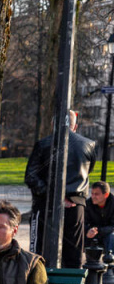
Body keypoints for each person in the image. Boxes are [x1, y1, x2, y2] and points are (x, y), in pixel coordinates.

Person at [26, 110, 99, 269]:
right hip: (75, 205)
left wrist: (54, 196)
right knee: (73, 253)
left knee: (38, 250)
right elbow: (88, 170)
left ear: (53, 125)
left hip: (46, 205)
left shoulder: (44, 144)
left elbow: (31, 177)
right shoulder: (88, 145)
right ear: (75, 126)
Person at [86, 180, 114, 260]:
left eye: (97, 194)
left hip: (107, 234)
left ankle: (109, 260)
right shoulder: (88, 204)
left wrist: (98, 230)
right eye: (92, 193)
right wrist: (88, 230)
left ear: (106, 195)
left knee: (111, 237)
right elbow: (83, 222)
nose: (93, 196)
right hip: (93, 234)